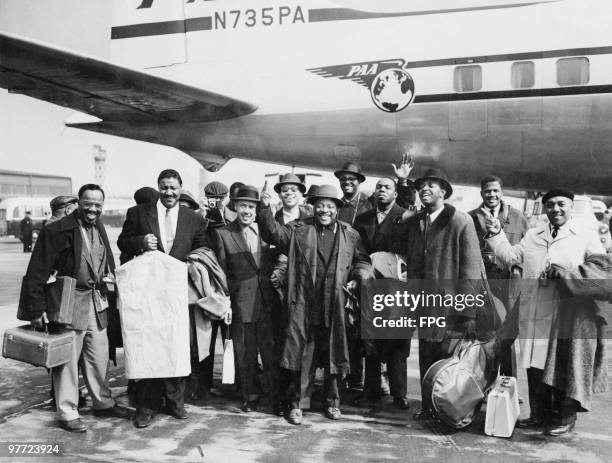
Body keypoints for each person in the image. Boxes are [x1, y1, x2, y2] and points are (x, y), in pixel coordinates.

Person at [485, 188, 605, 436]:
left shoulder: (585, 236)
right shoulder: (533, 235)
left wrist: (568, 275)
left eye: (561, 204)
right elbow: (510, 256)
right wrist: (496, 232)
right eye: (550, 205)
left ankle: (565, 418)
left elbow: (601, 270)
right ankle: (538, 415)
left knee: (565, 363)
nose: (555, 209)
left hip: (569, 314)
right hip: (535, 310)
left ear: (571, 207)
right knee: (534, 364)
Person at [257, 184, 373, 424]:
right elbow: (272, 234)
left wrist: (358, 278)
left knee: (334, 357)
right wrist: (265, 207)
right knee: (303, 357)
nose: (325, 210)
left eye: (330, 206)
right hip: (304, 306)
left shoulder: (350, 234)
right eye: (320, 205)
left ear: (337, 209)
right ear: (313, 206)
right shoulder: (298, 230)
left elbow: (362, 260)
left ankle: (333, 403)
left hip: (335, 306)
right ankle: (297, 404)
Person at [22, 184, 129, 432]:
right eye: (88, 203)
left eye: (98, 205)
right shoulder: (57, 230)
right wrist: (37, 310)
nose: (93, 209)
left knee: (99, 355)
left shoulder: (99, 225)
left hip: (97, 301)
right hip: (69, 302)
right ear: (78, 203)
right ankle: (67, 411)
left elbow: (105, 260)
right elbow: (36, 272)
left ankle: (102, 402)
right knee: (67, 361)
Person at [117, 169, 208, 428]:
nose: (169, 192)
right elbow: (123, 242)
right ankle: (146, 407)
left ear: (181, 188)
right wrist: (139, 242)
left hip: (178, 291)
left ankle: (175, 402)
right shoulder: (139, 213)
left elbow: (202, 247)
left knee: (177, 346)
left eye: (173, 187)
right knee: (149, 346)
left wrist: (193, 263)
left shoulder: (193, 218)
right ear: (158, 188)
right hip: (147, 293)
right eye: (164, 187)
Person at [397, 168, 489, 420]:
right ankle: (430, 407)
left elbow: (471, 269)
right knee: (428, 358)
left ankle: (453, 411)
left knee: (451, 362)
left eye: (431, 185)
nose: (424, 189)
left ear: (444, 192)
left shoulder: (460, 221)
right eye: (421, 186)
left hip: (452, 309)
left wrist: (467, 310)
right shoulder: (417, 222)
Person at [210, 185, 281, 413]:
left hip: (268, 304)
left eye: (251, 207)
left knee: (270, 354)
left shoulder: (266, 232)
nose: (247, 211)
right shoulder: (223, 234)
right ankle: (250, 396)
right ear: (235, 208)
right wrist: (226, 302)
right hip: (241, 305)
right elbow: (220, 272)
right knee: (246, 354)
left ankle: (273, 398)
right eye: (243, 206)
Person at [353, 177, 411, 410]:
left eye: (387, 187)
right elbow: (358, 251)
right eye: (378, 187)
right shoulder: (363, 219)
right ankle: (371, 391)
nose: (382, 191)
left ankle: (400, 393)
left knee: (398, 339)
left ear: (396, 194)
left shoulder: (406, 216)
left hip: (398, 284)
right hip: (371, 284)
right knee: (372, 338)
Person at [469, 175, 528, 377]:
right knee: (486, 332)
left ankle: (508, 382)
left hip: (510, 283)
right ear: (481, 193)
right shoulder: (471, 218)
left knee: (507, 332)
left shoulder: (518, 218)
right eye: (487, 191)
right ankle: (485, 384)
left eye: (495, 190)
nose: (491, 194)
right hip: (484, 282)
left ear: (501, 193)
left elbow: (526, 251)